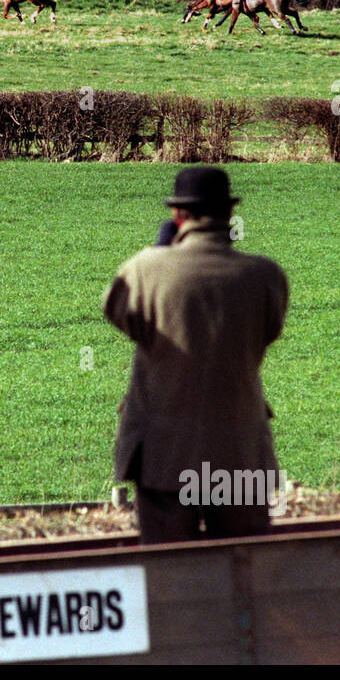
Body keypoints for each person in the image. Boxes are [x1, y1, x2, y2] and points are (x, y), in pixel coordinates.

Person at [103, 167, 288, 545]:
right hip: (239, 452)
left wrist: (160, 254)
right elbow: (267, 333)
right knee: (244, 563)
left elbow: (120, 315)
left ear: (177, 215)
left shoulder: (144, 270)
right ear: (229, 215)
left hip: (163, 453)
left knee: (170, 572)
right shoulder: (266, 275)